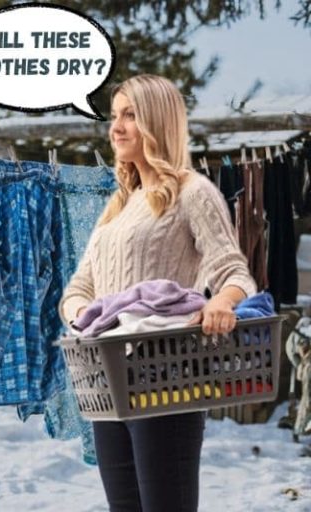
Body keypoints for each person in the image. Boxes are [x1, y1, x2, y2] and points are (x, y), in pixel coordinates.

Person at [58, 74, 257, 512]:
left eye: (130, 115)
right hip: (108, 378)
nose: (117, 127)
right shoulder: (119, 205)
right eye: (114, 116)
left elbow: (233, 271)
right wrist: (87, 318)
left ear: (157, 122)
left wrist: (222, 303)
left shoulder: (192, 192)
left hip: (165, 375)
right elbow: (79, 288)